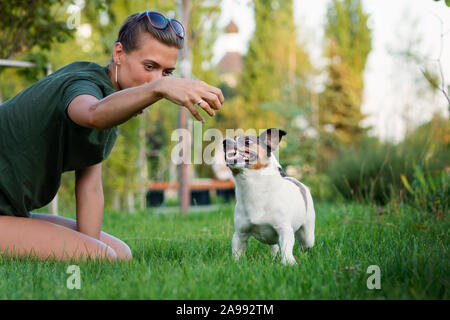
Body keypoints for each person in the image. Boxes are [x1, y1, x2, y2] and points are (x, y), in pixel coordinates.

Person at [0, 10, 224, 262]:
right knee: (102, 255)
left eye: (166, 73)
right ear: (119, 54)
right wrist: (158, 87)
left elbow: (90, 188)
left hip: (10, 212)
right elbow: (93, 114)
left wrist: (90, 252)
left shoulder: (110, 103)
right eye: (149, 66)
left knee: (118, 253)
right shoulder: (84, 85)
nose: (156, 78)